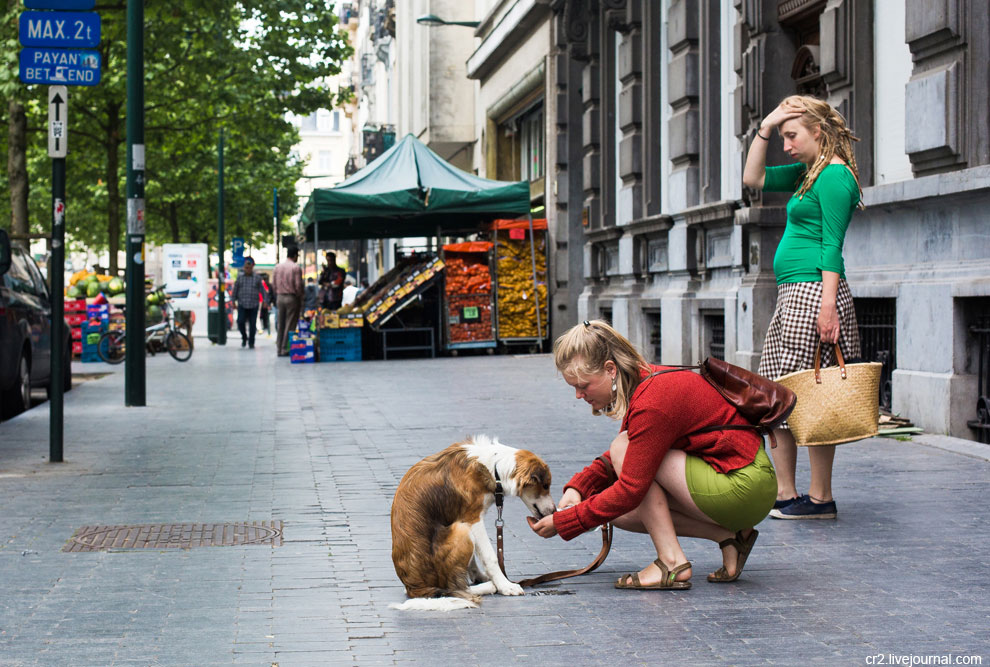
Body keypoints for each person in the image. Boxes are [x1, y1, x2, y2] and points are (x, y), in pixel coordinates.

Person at [528, 320, 777, 590]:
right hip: (744, 480)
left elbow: (631, 482)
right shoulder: (646, 381)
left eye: (583, 385)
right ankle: (731, 537)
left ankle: (671, 563)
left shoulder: (652, 400)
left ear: (610, 369)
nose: (578, 395)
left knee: (624, 458)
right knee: (615, 506)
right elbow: (637, 453)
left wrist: (566, 522)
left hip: (743, 484)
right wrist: (580, 488)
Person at [742, 95, 863, 520]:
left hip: (815, 293)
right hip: (795, 293)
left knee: (810, 393)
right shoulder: (806, 174)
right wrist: (769, 123)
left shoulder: (833, 177)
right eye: (784, 137)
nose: (787, 144)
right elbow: (752, 177)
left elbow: (833, 245)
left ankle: (819, 497)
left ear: (818, 131)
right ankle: (788, 494)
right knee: (781, 393)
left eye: (792, 135)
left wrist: (828, 306)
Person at [271, 246, 304, 357]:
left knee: (280, 323)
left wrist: (278, 294)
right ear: (295, 255)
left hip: (280, 297)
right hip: (291, 297)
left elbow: (274, 285)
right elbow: (298, 285)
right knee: (290, 324)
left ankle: (279, 348)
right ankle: (285, 348)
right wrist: (300, 297)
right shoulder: (296, 268)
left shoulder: (277, 267)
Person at [231, 257, 265, 348]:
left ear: (252, 268)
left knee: (252, 324)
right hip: (242, 303)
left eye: (249, 267)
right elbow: (235, 290)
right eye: (246, 267)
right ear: (244, 267)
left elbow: (262, 290)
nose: (248, 269)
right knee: (240, 321)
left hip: (254, 304)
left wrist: (265, 301)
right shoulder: (240, 278)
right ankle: (244, 337)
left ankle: (251, 342)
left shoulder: (257, 278)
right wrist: (233, 301)